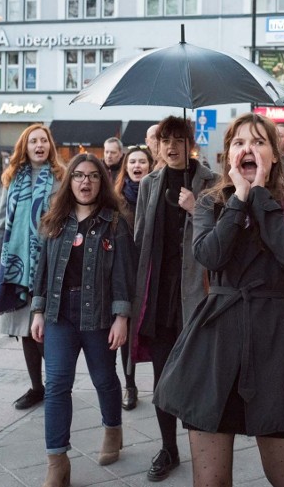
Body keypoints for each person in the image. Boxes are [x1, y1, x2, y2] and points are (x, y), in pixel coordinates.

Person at [153, 112, 284, 486]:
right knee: (211, 482)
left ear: (274, 153)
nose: (247, 148)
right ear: (227, 155)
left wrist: (262, 197)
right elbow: (210, 256)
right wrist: (238, 200)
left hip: (276, 345)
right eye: (239, 142)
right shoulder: (209, 202)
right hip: (215, 347)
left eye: (258, 141)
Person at [30, 153, 135, 486]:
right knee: (57, 385)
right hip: (60, 314)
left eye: (92, 176)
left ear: (101, 181)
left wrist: (121, 317)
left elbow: (123, 274)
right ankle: (57, 460)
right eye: (78, 175)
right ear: (69, 181)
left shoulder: (114, 222)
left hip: (99, 314)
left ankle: (112, 429)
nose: (85, 182)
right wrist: (38, 311)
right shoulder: (56, 220)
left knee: (104, 378)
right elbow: (42, 270)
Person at [130, 117, 218, 482]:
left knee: (196, 378)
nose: (171, 146)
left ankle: (206, 452)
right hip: (159, 297)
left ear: (190, 143)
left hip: (196, 295)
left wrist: (196, 208)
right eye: (165, 139)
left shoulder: (211, 182)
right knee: (162, 378)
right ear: (157, 144)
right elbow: (139, 239)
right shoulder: (150, 183)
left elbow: (222, 240)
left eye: (179, 139)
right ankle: (169, 448)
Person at [0, 124, 66, 410]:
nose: (39, 145)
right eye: (33, 141)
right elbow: (0, 223)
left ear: (50, 145)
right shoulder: (12, 179)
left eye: (43, 140)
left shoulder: (61, 178)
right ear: (25, 146)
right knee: (24, 331)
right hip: (17, 266)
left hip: (50, 264)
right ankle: (37, 387)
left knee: (48, 331)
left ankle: (59, 384)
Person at [113, 145, 152, 411]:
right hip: (124, 273)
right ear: (126, 168)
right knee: (124, 329)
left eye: (142, 162)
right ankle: (129, 384)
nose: (137, 166)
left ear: (150, 166)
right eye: (132, 162)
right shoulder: (116, 200)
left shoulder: (158, 194)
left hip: (151, 272)